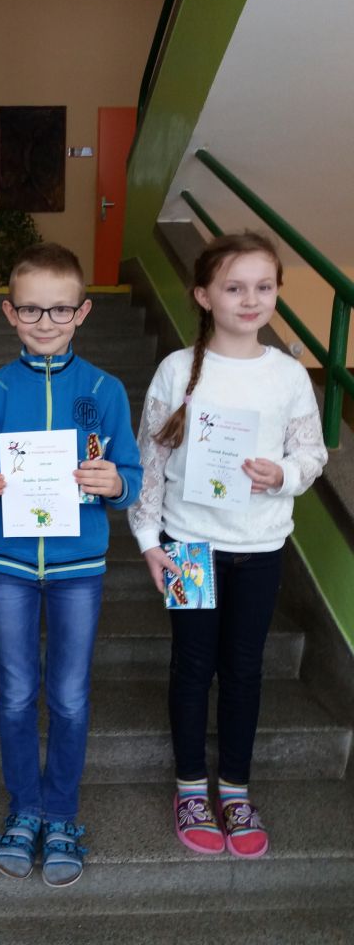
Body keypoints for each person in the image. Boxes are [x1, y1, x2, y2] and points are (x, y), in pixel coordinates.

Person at [128, 231, 327, 859]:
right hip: (188, 547)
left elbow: (312, 454)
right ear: (203, 295)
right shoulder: (175, 371)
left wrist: (283, 474)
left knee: (244, 669)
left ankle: (235, 790)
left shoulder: (288, 374)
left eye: (263, 287)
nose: (250, 299)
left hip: (262, 548)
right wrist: (149, 541)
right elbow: (148, 464)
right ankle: (191, 788)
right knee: (192, 667)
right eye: (234, 287)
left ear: (276, 293)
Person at [0, 243, 142, 887]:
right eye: (31, 309)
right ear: (10, 312)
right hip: (8, 565)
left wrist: (115, 483)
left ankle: (61, 813)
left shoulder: (105, 390)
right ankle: (25, 808)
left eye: (60, 309)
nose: (45, 321)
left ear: (82, 312)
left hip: (78, 568)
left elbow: (131, 475)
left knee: (68, 696)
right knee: (15, 694)